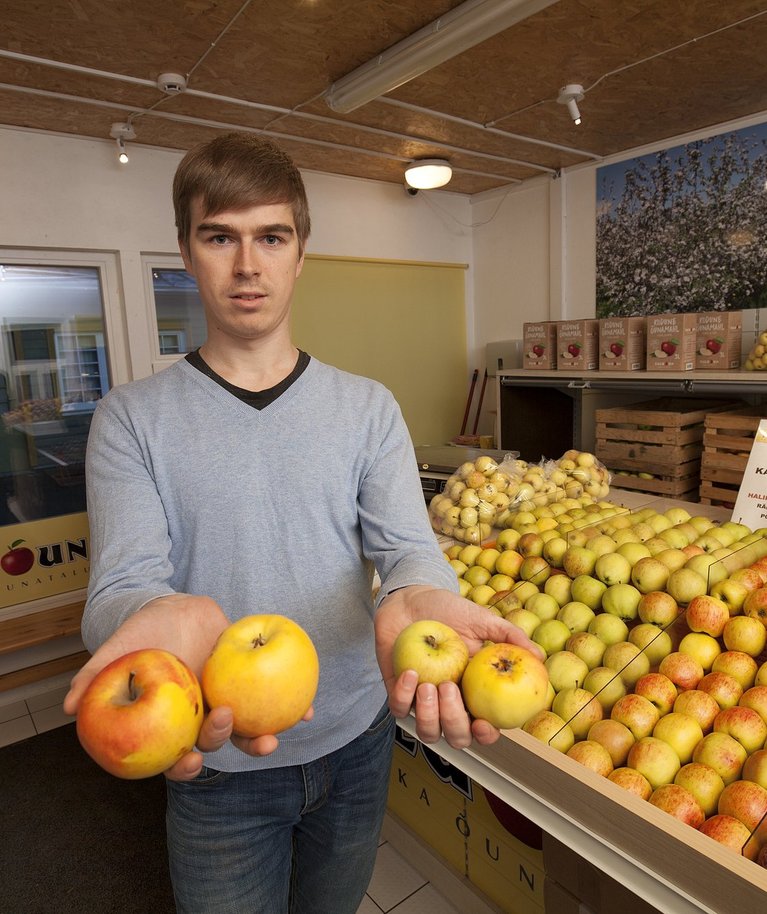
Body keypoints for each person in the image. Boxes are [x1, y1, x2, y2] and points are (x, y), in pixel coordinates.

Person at [63, 132, 539, 914]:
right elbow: (120, 583)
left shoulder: (366, 408)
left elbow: (407, 550)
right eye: (220, 237)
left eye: (270, 237)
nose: (247, 265)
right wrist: (151, 616)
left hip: (356, 744)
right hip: (218, 761)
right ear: (186, 250)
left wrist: (419, 594)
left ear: (299, 251)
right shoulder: (130, 420)